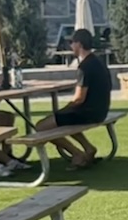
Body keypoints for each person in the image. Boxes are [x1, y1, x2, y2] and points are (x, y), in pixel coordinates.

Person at [32, 28, 110, 167]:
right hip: (100, 111)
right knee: (63, 117)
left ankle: (77, 154)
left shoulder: (84, 67)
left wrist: (64, 108)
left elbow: (79, 98)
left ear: (79, 44)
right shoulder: (99, 62)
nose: (71, 46)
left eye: (72, 43)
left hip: (87, 113)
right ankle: (88, 148)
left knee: (41, 127)